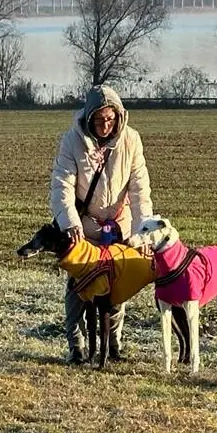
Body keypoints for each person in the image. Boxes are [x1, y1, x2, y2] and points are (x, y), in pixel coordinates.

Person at [49, 85, 153, 363]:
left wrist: (142, 233)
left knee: (116, 290)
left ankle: (114, 346)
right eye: (99, 119)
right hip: (84, 229)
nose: (105, 125)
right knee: (78, 288)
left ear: (119, 116)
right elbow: (62, 186)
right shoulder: (71, 141)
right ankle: (77, 347)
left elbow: (140, 190)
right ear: (89, 117)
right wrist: (70, 223)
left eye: (110, 119)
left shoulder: (131, 140)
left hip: (120, 226)